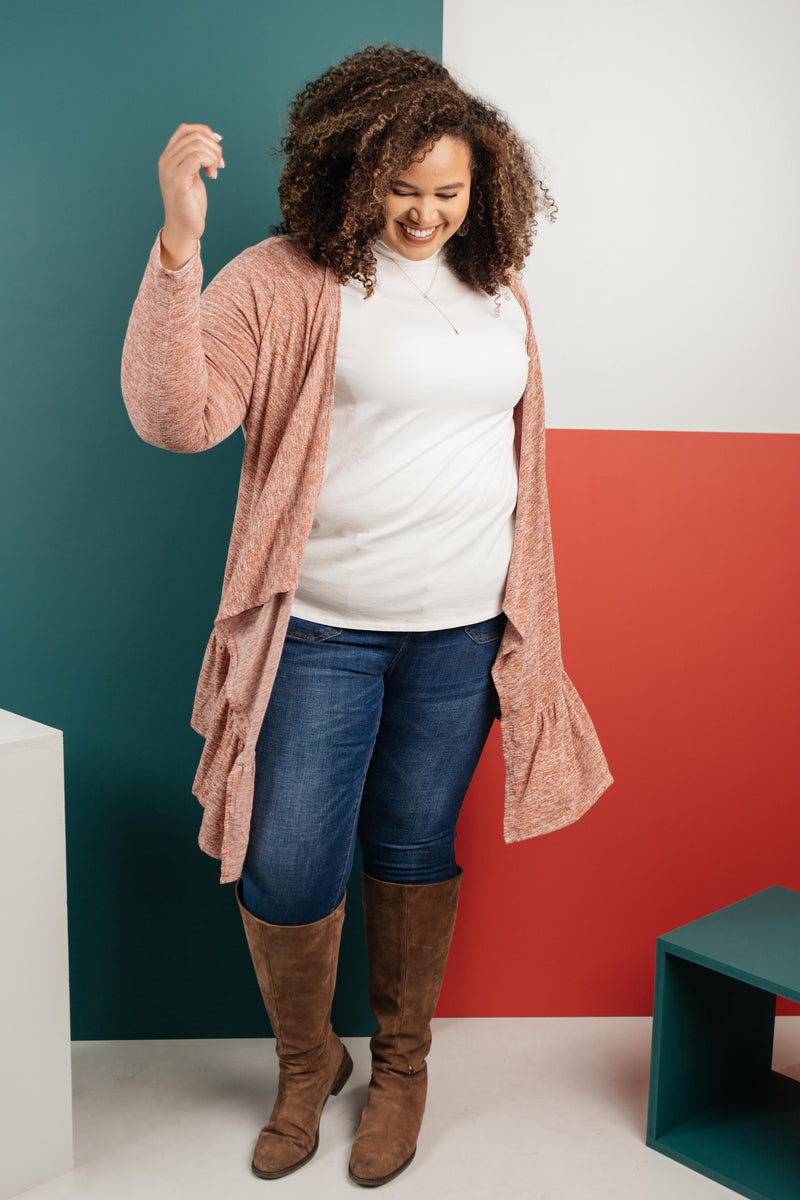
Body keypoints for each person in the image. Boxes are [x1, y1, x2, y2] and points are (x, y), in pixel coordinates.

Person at [121, 44, 612, 1187]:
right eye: (405, 190)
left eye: (449, 193)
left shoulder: (497, 286)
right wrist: (178, 247)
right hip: (322, 633)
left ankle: (400, 1069)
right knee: (289, 866)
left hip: (460, 635)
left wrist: (510, 610)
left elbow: (500, 451)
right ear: (353, 169)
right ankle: (308, 1067)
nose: (427, 216)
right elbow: (177, 416)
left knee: (408, 850)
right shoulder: (286, 277)